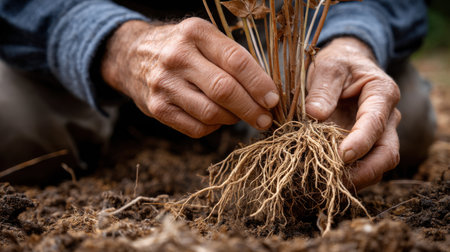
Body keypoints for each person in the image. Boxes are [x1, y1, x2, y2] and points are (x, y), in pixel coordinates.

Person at [0, 0, 435, 188]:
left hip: (281, 34)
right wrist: (112, 44)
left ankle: (264, 132)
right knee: (12, 126)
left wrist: (351, 38)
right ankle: (123, 119)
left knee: (401, 121)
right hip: (85, 28)